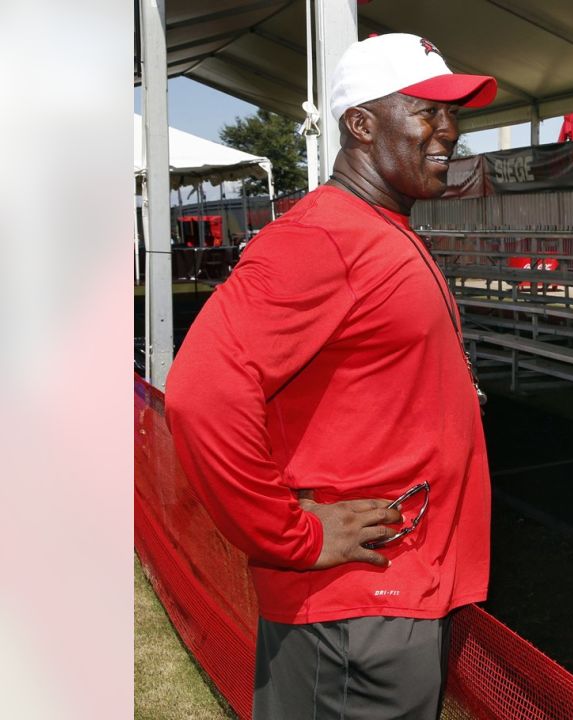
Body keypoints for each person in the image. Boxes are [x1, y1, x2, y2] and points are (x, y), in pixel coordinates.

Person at [164, 33, 497, 719]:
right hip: (355, 612)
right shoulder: (324, 236)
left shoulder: (374, 228)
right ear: (362, 125)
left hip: (386, 601)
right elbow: (200, 396)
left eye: (452, 113)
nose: (448, 131)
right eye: (427, 111)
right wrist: (293, 535)